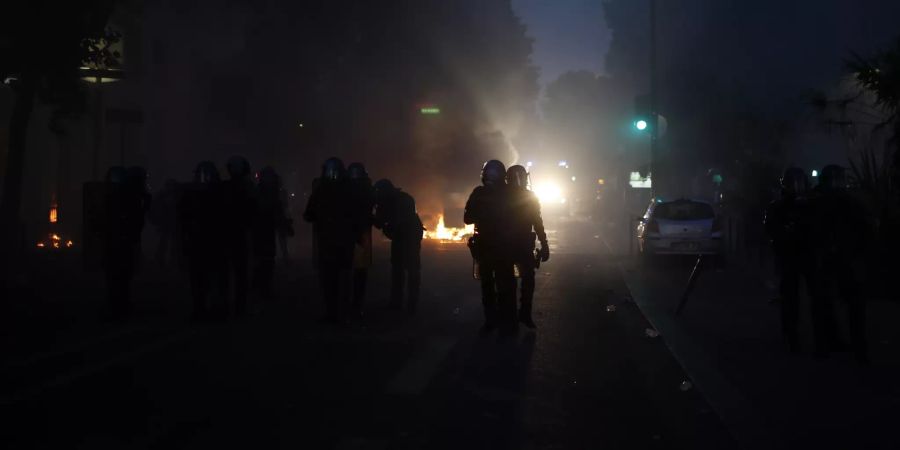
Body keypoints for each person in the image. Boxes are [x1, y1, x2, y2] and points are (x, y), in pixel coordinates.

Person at [815, 164, 869, 363]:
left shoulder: (826, 201)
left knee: (831, 303)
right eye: (839, 179)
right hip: (837, 258)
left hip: (839, 258)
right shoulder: (840, 201)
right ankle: (851, 347)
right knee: (839, 304)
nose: (841, 183)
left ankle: (836, 345)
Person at [764, 167, 820, 354]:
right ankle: (791, 335)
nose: (798, 186)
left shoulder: (810, 204)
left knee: (817, 297)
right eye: (794, 183)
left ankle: (821, 338)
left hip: (807, 254)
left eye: (800, 182)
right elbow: (771, 229)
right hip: (789, 256)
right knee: (790, 298)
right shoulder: (779, 206)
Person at [464, 160, 516, 335]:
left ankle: (490, 321)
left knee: (487, 286)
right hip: (505, 246)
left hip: (486, 246)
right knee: (506, 285)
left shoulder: (479, 194)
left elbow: (468, 218)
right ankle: (507, 322)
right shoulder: (511, 193)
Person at [304, 157, 357, 323]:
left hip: (331, 241)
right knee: (339, 279)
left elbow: (309, 214)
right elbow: (310, 213)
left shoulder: (322, 190)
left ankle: (334, 312)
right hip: (338, 242)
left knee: (333, 279)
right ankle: (340, 312)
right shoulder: (346, 189)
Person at [178, 162, 228, 319]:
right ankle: (201, 307)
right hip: (200, 241)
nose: (204, 179)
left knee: (211, 277)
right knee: (200, 277)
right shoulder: (192, 193)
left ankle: (212, 306)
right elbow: (183, 218)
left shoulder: (219, 192)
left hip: (212, 241)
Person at [506, 165, 549, 329]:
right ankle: (523, 314)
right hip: (521, 245)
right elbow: (537, 223)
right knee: (527, 281)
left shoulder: (501, 196)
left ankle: (513, 316)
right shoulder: (529, 197)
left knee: (509, 282)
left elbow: (537, 222)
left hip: (509, 245)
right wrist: (544, 244)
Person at [100, 166, 147, 318]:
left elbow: (138, 219)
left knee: (120, 277)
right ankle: (118, 306)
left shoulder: (127, 198)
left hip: (121, 242)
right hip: (117, 242)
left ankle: (120, 306)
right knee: (117, 277)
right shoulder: (117, 198)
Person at [373, 179, 424, 314]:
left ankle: (401, 303)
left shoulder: (388, 202)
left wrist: (370, 217)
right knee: (407, 269)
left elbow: (380, 222)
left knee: (402, 269)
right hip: (409, 234)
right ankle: (409, 303)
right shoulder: (405, 198)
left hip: (407, 235)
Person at [222, 155, 258, 316]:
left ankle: (230, 305)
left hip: (233, 234)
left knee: (231, 272)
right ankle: (238, 306)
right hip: (238, 234)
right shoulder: (247, 188)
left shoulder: (227, 187)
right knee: (239, 273)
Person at [253, 166, 292, 301]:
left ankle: (262, 288)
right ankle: (262, 289)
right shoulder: (265, 194)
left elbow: (278, 211)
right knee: (263, 260)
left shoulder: (263, 193)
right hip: (261, 231)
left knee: (265, 260)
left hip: (262, 231)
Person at [348, 162, 375, 315]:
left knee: (347, 272)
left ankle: (347, 304)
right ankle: (357, 305)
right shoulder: (367, 190)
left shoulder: (343, 190)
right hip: (361, 237)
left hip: (348, 236)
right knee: (359, 272)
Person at [150, 178, 179, 268]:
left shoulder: (176, 195)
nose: (170, 187)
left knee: (172, 243)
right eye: (169, 185)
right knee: (164, 242)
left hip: (172, 223)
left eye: (172, 185)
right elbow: (155, 209)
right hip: (166, 223)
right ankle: (161, 260)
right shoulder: (161, 195)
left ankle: (171, 261)